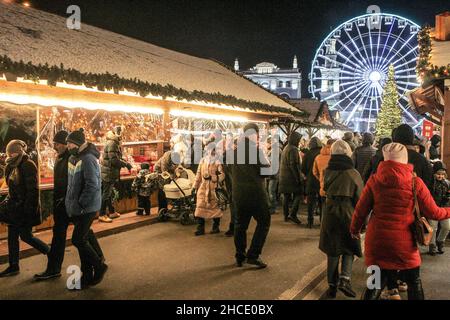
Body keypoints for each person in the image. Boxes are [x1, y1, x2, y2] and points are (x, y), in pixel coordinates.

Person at [351, 143, 450, 300]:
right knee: (414, 281)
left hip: (377, 242)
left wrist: (354, 230)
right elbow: (434, 212)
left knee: (374, 283)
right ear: (404, 159)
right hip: (404, 244)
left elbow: (360, 210)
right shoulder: (415, 183)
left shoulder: (374, 180)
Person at [320, 140, 362, 299]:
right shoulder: (353, 173)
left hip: (330, 212)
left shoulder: (327, 170)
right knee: (349, 247)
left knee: (332, 249)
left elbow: (323, 190)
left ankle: (332, 285)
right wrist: (362, 221)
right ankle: (345, 279)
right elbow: (360, 198)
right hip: (348, 212)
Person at [0, 140, 49, 277]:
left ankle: (50, 252)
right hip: (14, 208)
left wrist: (28, 211)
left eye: (12, 152)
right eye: (8, 153)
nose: (9, 155)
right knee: (12, 237)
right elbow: (10, 188)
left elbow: (32, 191)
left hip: (25, 208)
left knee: (26, 236)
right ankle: (13, 265)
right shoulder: (10, 165)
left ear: (18, 152)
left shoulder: (28, 165)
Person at [65, 129, 107, 289]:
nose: (68, 146)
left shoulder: (88, 159)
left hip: (86, 208)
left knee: (78, 239)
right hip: (77, 207)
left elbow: (93, 184)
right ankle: (87, 275)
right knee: (84, 237)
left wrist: (81, 203)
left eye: (70, 143)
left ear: (77, 144)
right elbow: (72, 184)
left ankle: (99, 265)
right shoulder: (74, 158)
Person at [231, 123, 271, 268]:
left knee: (240, 225)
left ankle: (240, 255)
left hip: (239, 194)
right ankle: (253, 255)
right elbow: (268, 172)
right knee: (264, 222)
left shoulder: (234, 152)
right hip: (256, 194)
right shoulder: (256, 151)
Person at [34, 131, 72, 280]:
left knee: (81, 235)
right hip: (61, 202)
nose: (55, 146)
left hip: (67, 202)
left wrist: (66, 199)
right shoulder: (60, 158)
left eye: (57, 144)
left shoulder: (71, 158)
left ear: (65, 144)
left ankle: (98, 260)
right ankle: (53, 268)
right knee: (59, 236)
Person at [99, 126, 132, 223]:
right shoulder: (112, 143)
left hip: (109, 172)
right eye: (121, 133)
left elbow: (115, 158)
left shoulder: (113, 142)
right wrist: (125, 164)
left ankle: (112, 212)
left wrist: (123, 161)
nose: (122, 136)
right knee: (106, 194)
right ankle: (102, 214)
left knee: (108, 193)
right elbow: (113, 160)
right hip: (108, 172)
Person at [193, 142, 226, 236]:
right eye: (207, 149)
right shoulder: (203, 160)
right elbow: (198, 174)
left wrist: (213, 178)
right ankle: (200, 228)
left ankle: (216, 227)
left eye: (210, 149)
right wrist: (195, 186)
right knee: (200, 207)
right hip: (203, 188)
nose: (208, 150)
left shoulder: (218, 161)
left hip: (213, 188)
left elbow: (222, 175)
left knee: (215, 208)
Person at [393, 124, 433, 190]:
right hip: (415, 198)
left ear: (395, 138)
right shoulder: (422, 160)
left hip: (386, 199)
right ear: (412, 138)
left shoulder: (386, 158)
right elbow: (429, 186)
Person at [279, 132, 303, 225]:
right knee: (299, 194)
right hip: (290, 177)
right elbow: (294, 165)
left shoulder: (286, 148)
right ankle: (292, 214)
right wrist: (298, 178)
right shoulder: (293, 149)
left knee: (286, 196)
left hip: (284, 177)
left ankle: (286, 215)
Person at [428, 161, 450, 255]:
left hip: (444, 208)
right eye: (438, 174)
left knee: (446, 227)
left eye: (442, 174)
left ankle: (440, 241)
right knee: (433, 228)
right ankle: (432, 245)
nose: (440, 176)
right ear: (434, 174)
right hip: (433, 208)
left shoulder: (447, 183)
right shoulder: (430, 183)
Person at [302, 137, 323, 228]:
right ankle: (322, 222)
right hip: (321, 180)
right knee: (321, 202)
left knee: (311, 203)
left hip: (311, 181)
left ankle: (310, 222)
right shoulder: (322, 153)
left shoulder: (308, 154)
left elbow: (303, 168)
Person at [313, 139, 335, 221]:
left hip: (322, 185)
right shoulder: (334, 158)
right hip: (333, 186)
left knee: (322, 205)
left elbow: (314, 172)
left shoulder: (318, 157)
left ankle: (322, 222)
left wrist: (320, 179)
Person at [265, 136, 279, 215]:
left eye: (267, 143)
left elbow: (271, 163)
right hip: (271, 174)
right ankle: (271, 206)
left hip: (273, 175)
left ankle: (272, 208)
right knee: (270, 191)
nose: (266, 145)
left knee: (271, 192)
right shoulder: (271, 151)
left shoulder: (274, 152)